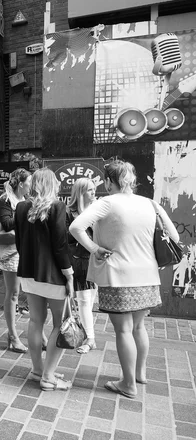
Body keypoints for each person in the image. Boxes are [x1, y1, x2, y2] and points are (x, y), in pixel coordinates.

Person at [70, 160, 179, 398]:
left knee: (123, 331)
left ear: (109, 181)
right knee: (139, 327)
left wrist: (94, 248)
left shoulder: (106, 203)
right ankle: (139, 374)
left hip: (118, 275)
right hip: (148, 275)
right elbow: (174, 235)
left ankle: (128, 384)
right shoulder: (150, 203)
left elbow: (76, 227)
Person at [15, 168, 74, 391]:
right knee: (60, 324)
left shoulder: (21, 207)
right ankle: (48, 377)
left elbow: (20, 242)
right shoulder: (57, 206)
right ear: (51, 184)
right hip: (53, 274)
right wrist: (68, 273)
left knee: (35, 321)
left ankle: (38, 370)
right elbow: (60, 245)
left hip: (29, 272)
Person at [0, 168, 33, 352]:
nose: (31, 186)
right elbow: (6, 223)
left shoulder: (25, 200)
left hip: (25, 250)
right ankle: (12, 335)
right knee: (13, 294)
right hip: (11, 252)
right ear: (20, 183)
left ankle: (34, 335)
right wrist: (27, 213)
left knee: (28, 292)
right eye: (29, 182)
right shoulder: (5, 200)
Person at [66, 178, 98, 354]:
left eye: (94, 189)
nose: (94, 193)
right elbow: (66, 239)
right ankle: (90, 338)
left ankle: (88, 335)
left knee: (89, 301)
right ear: (80, 192)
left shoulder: (96, 210)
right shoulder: (69, 212)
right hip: (78, 261)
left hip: (95, 260)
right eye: (90, 190)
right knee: (84, 300)